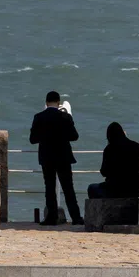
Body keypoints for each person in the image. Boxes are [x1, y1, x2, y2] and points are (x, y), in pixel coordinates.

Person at [30, 91, 83, 225]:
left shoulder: (39, 117)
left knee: (49, 187)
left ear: (46, 103)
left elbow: (33, 139)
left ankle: (52, 217)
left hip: (47, 157)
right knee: (68, 188)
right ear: (58, 103)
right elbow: (74, 136)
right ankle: (76, 217)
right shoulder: (65, 117)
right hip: (63, 156)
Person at [88, 122, 139, 200]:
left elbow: (104, 172)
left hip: (114, 189)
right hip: (134, 189)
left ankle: (102, 210)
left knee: (92, 188)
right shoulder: (137, 147)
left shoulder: (109, 149)